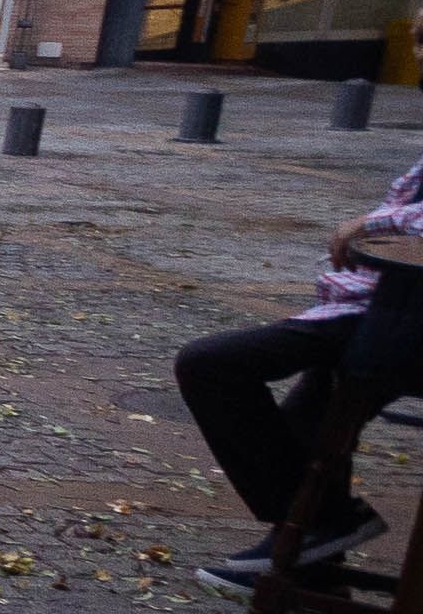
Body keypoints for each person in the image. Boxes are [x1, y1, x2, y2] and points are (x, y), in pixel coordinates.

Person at [176, 152, 423, 590]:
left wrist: (372, 224)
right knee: (312, 419)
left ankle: (323, 523)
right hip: (370, 310)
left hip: (396, 321)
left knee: (209, 365)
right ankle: (317, 561)